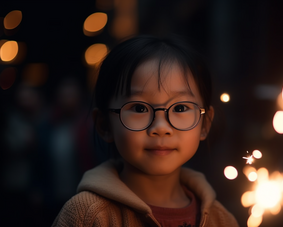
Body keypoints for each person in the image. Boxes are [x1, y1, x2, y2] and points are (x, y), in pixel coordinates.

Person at [52, 35, 239, 227]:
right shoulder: (86, 215)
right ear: (104, 125)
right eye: (139, 108)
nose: (160, 128)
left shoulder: (221, 220)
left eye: (180, 108)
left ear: (205, 123)